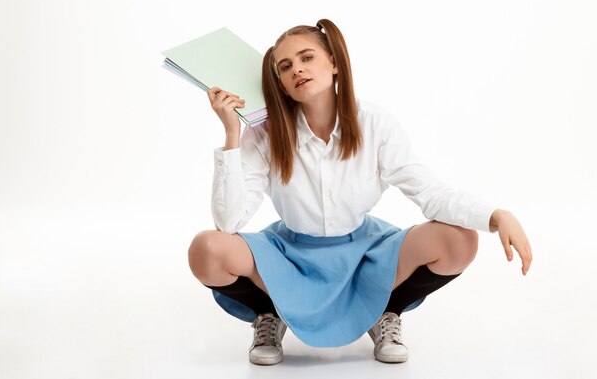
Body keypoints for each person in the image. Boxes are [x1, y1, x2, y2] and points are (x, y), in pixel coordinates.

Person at [187, 18, 533, 365]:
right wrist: (232, 135)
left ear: (334, 63)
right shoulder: (264, 134)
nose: (298, 70)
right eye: (286, 66)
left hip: (361, 254)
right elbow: (228, 221)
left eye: (307, 58)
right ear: (281, 83)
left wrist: (495, 216)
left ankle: (383, 312)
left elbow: (429, 192)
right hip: (291, 256)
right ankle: (269, 316)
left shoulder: (374, 123)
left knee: (460, 241)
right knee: (207, 249)